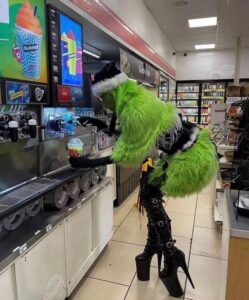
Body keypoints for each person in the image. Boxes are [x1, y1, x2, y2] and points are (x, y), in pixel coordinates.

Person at [69, 62, 217, 297]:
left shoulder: (135, 109)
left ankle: (170, 255)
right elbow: (134, 139)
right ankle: (152, 249)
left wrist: (89, 163)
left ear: (113, 91)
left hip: (191, 157)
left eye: (103, 96)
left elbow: (131, 154)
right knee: (149, 193)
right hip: (178, 151)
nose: (101, 101)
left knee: (149, 194)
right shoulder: (131, 103)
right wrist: (99, 124)